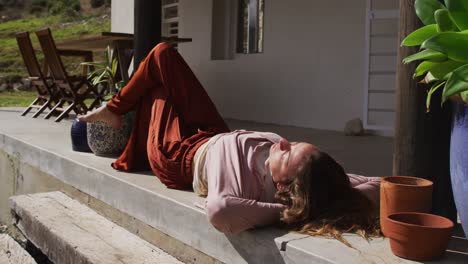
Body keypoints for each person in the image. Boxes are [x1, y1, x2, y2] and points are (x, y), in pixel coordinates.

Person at [79, 43, 381, 240]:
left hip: (179, 155)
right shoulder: (316, 178)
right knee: (163, 58)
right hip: (213, 131)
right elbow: (377, 185)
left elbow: (221, 211)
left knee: (157, 78)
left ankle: (115, 109)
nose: (285, 143)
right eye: (296, 144)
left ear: (283, 187)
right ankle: (115, 110)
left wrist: (294, 211)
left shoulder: (239, 180)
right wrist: (326, 197)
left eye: (287, 156)